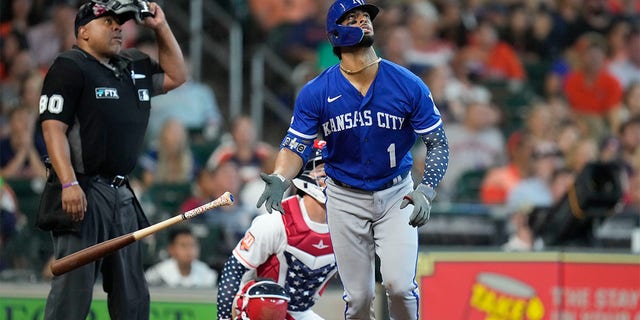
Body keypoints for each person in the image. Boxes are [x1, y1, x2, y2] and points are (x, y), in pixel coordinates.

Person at [255, 1, 450, 318]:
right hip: (344, 195)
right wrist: (279, 177)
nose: (363, 21)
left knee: (400, 287)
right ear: (335, 35)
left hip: (395, 193)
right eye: (352, 18)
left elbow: (437, 142)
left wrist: (427, 188)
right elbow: (295, 145)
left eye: (365, 17)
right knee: (358, 299)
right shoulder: (316, 91)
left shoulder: (407, 83)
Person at [36, 1, 186, 319]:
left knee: (132, 294)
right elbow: (52, 129)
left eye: (121, 23)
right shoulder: (70, 65)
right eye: (108, 22)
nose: (118, 27)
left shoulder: (134, 64)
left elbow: (177, 75)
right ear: (84, 32)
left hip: (122, 192)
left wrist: (160, 26)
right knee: (72, 295)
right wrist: (69, 182)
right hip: (84, 190)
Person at [217, 141, 337, 320]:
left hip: (299, 312)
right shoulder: (276, 221)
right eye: (324, 170)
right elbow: (233, 271)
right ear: (303, 173)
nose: (334, 177)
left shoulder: (349, 227)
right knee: (268, 299)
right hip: (256, 307)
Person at [144, 226, 217, 288]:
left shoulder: (207, 273)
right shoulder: (157, 274)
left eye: (193, 245)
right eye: (183, 245)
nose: (189, 250)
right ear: (171, 249)